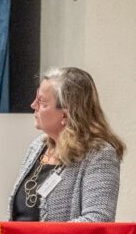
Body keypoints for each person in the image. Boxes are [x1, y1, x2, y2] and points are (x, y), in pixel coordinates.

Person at [9, 67, 125, 222]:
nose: (33, 105)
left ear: (65, 114)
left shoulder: (100, 154)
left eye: (41, 102)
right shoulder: (37, 146)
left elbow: (98, 219)